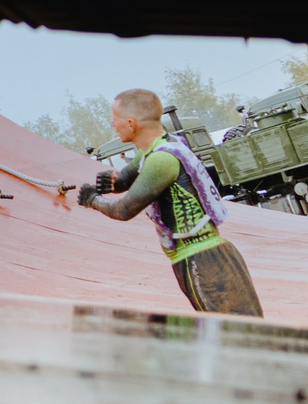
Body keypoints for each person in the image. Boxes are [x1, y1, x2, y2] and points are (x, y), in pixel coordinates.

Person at [79, 88, 263, 315]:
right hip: (211, 255)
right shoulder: (167, 144)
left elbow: (123, 210)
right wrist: (112, 181)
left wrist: (92, 200)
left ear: (131, 123)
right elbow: (126, 179)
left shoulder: (161, 160)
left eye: (115, 119)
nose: (112, 124)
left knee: (231, 337)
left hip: (201, 260)